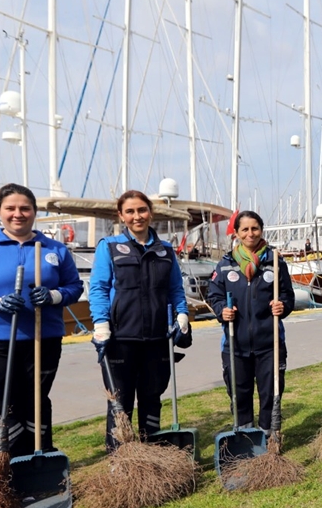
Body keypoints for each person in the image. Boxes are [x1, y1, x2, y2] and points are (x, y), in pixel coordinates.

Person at [0, 183, 83, 458]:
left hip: (42, 338)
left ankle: (41, 455)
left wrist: (54, 296)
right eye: (10, 208)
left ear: (34, 212)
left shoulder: (53, 249)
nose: (17, 214)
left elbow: (74, 287)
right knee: (7, 401)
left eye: (25, 208)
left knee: (37, 400)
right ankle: (11, 459)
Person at [88, 190, 192, 451]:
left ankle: (152, 450)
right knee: (120, 402)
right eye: (131, 211)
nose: (137, 216)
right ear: (121, 216)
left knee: (152, 397)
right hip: (121, 338)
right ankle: (119, 455)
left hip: (157, 338)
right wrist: (101, 325)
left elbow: (175, 289)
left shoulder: (165, 250)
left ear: (150, 213)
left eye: (142, 210)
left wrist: (182, 315)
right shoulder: (109, 247)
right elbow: (98, 288)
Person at [206, 211, 295, 431]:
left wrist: (282, 306)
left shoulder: (275, 261)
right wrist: (221, 310)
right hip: (235, 345)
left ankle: (268, 437)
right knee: (239, 395)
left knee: (270, 394)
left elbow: (288, 295)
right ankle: (245, 437)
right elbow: (214, 295)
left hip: (270, 345)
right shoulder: (225, 265)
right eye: (244, 229)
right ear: (236, 233)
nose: (250, 233)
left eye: (254, 228)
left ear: (261, 230)